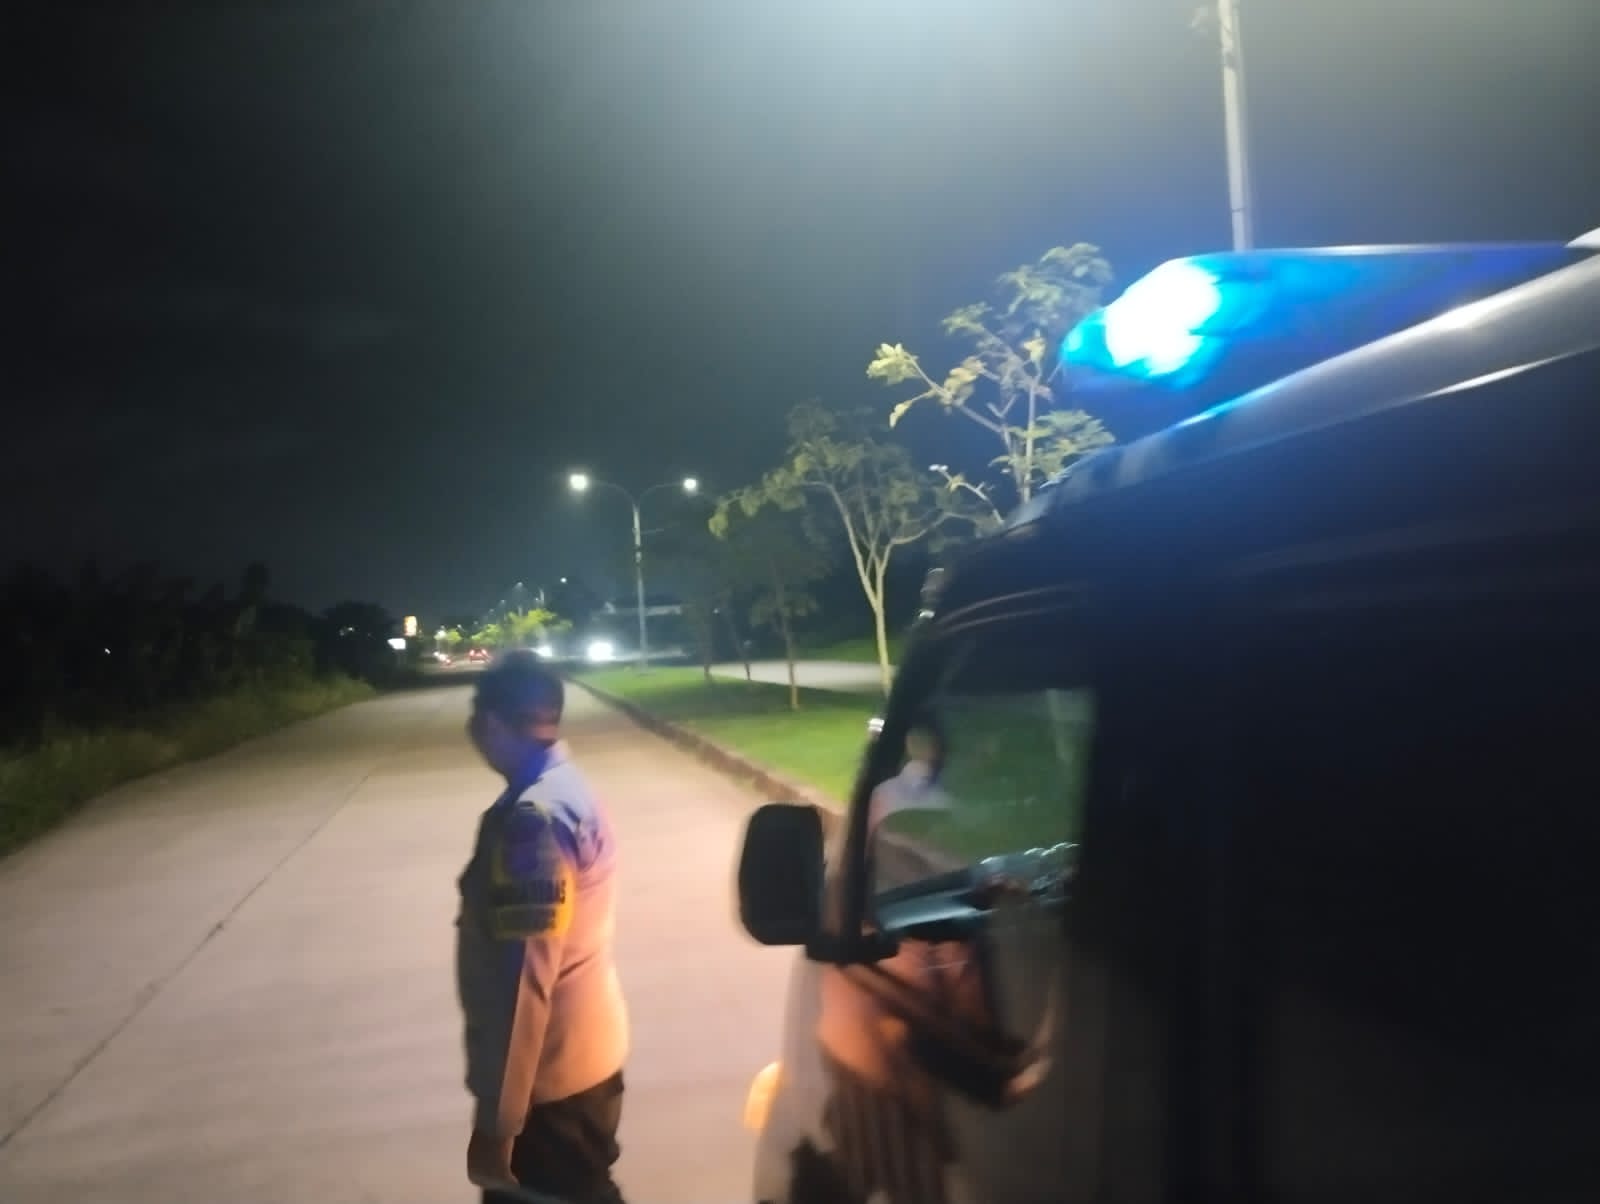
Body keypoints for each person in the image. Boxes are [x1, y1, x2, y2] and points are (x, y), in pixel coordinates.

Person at [455, 651, 630, 1204]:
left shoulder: (534, 821)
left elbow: (523, 983)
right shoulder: (566, 790)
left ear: (490, 723)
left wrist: (499, 1122)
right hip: (576, 1069)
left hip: (550, 1088)